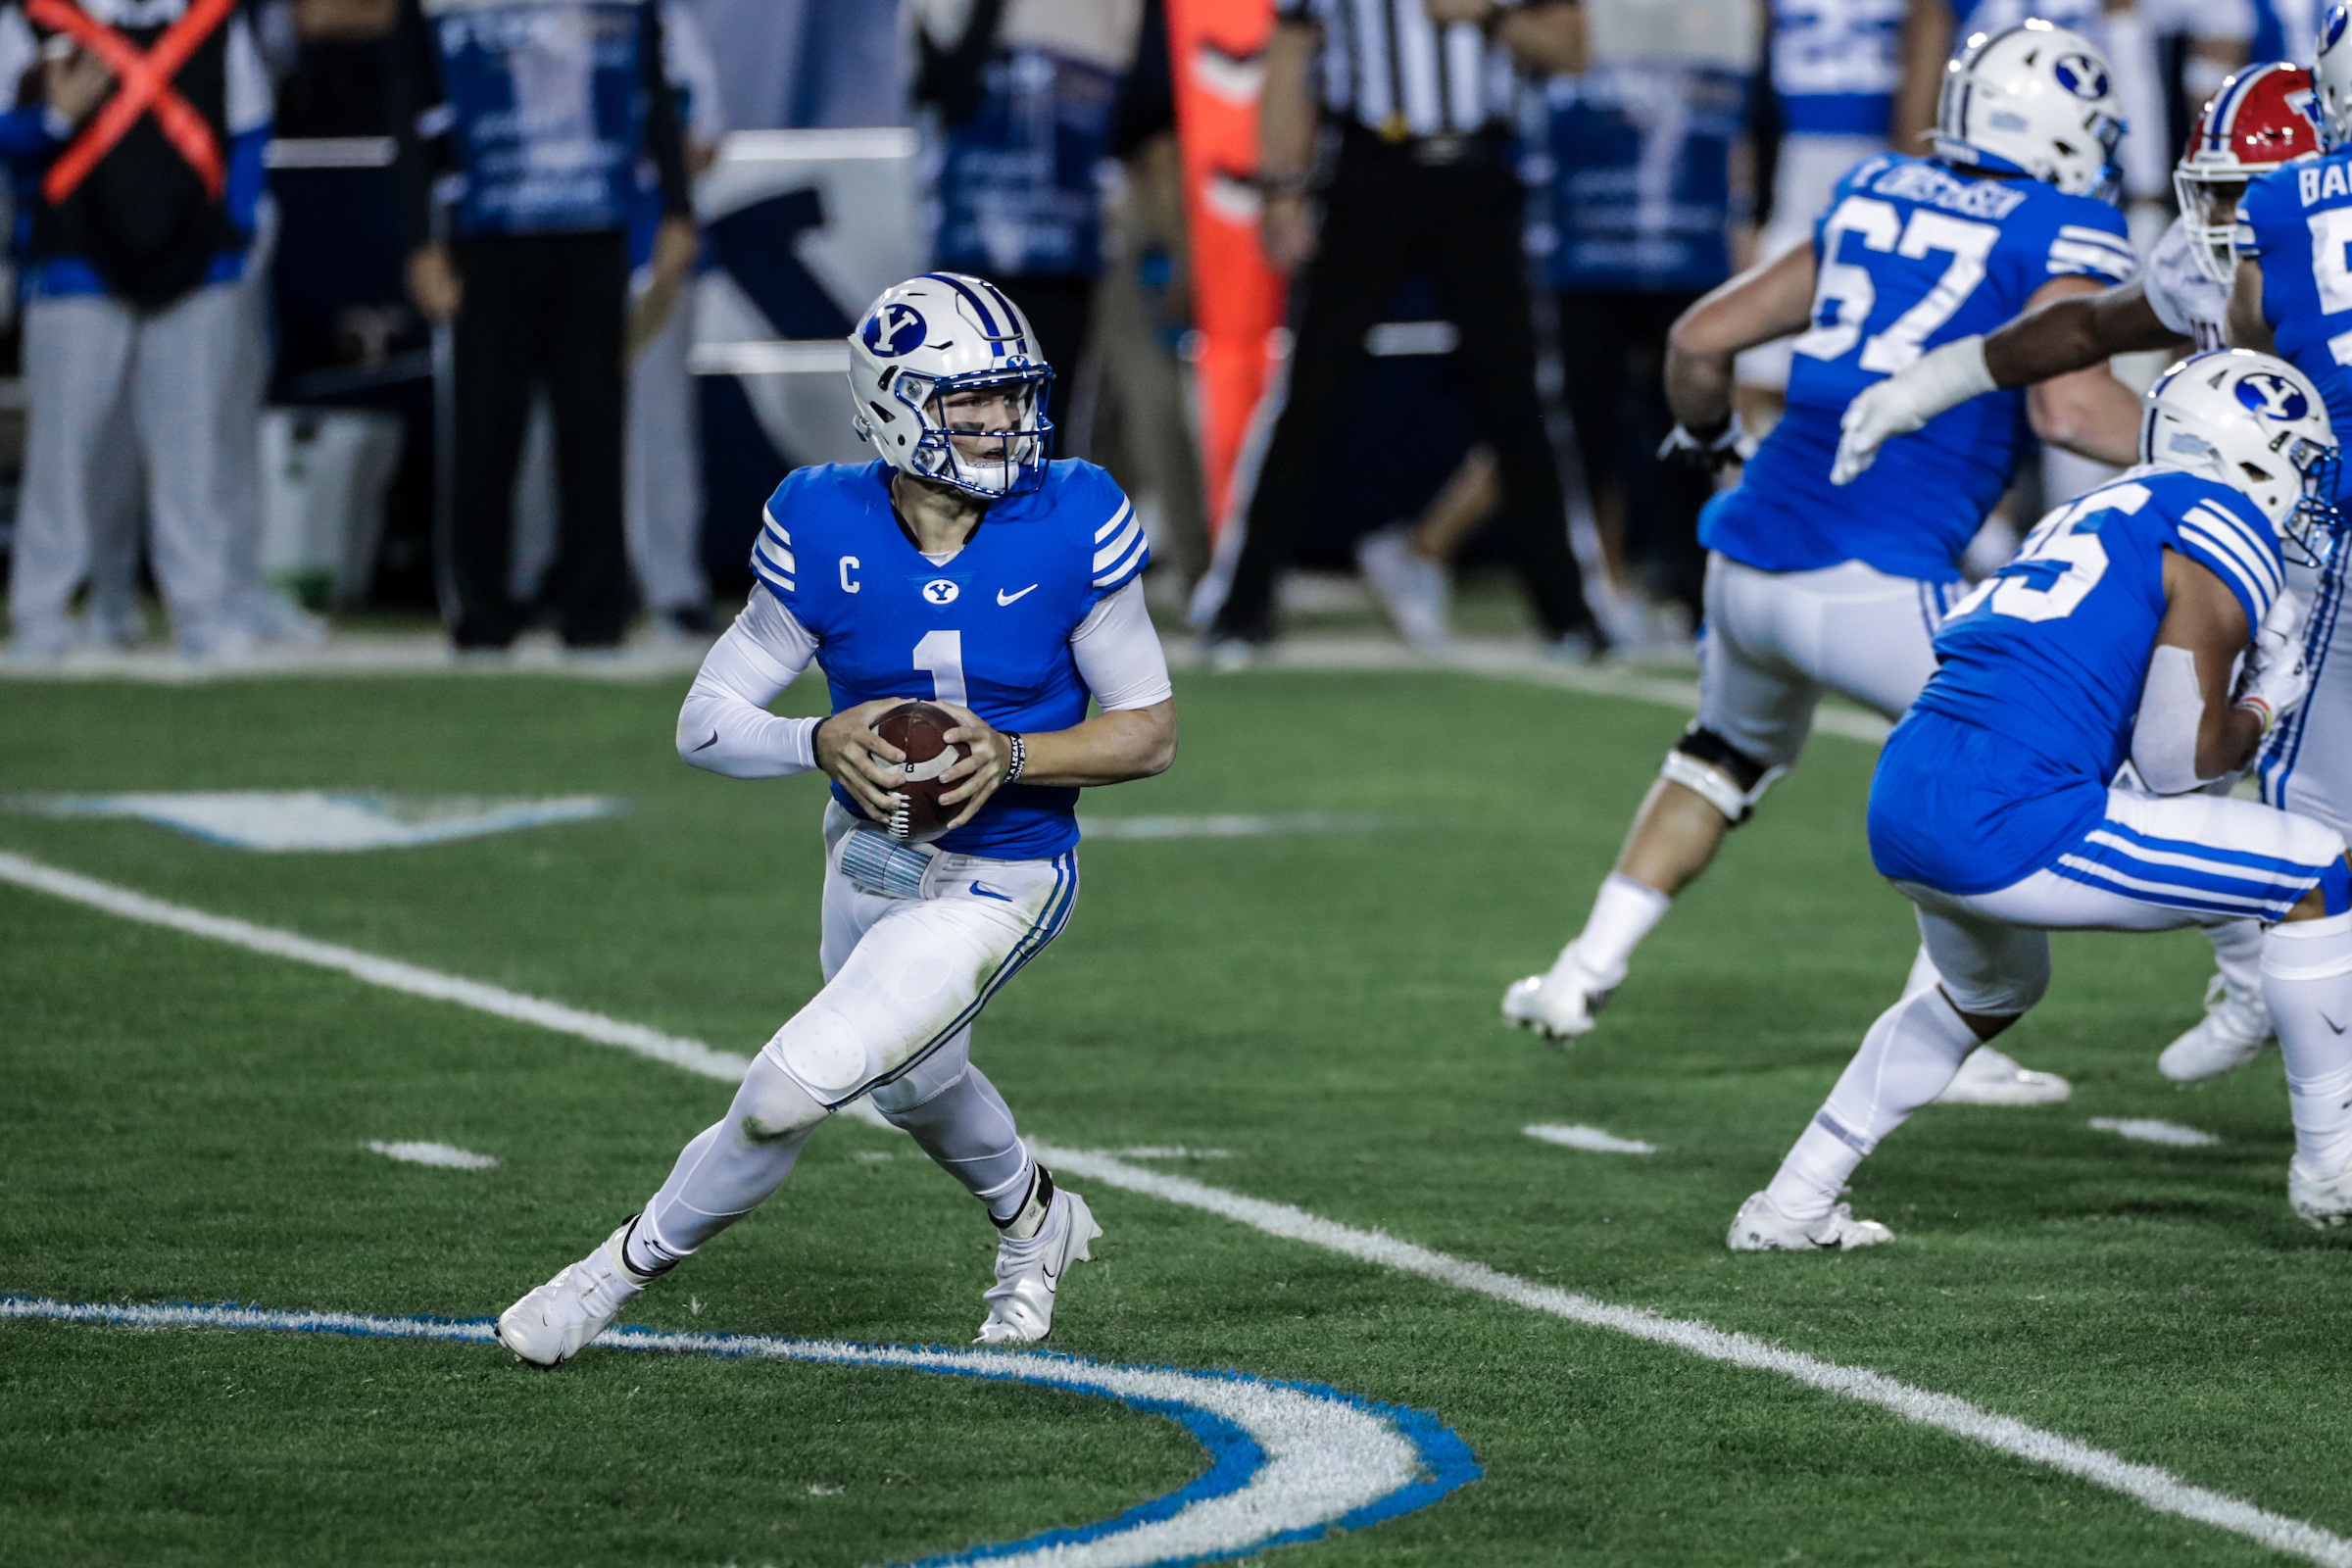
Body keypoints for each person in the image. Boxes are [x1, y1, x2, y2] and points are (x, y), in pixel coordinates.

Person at [495, 273, 1178, 1364]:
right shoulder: (821, 518)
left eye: (1014, 395)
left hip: (1003, 873)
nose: (1006, 421)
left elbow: (1148, 731)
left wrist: (1011, 754)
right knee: (916, 1084)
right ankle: (1038, 1219)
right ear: (896, 407)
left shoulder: (1073, 512)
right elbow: (706, 722)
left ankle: (602, 1280)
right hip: (866, 855)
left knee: (785, 1092)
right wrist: (814, 738)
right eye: (974, 400)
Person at [1501, 23, 2142, 1107]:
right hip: (1878, 576)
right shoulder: (2059, 223)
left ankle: (1577, 973)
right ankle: (1951, 1040)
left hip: (1750, 557)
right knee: (2022, 767)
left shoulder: (1877, 188)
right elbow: (2072, 407)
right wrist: (2214, 441)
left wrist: (1711, 444)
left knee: (1721, 756)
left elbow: (1699, 342)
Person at [1731, 350, 2352, 1250]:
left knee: (1989, 990)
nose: (2306, 484)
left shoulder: (2098, 506)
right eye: (2298, 459)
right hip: (2010, 809)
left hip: (1910, 782)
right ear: (2250, 453)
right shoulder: (2221, 524)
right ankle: (2332, 1162)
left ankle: (1792, 1202)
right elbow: (2178, 762)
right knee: (2314, 872)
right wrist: (2263, 703)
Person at [1835, 60, 2322, 1085]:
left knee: (2294, 789)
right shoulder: (2211, 256)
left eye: (2245, 193)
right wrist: (1942, 377)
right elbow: (2092, 327)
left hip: (2331, 547)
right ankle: (2258, 984)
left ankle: (2286, 1007)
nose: (2223, 217)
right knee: (2173, 757)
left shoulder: (2324, 265)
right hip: (2263, 552)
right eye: (2215, 190)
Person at [1200, 0, 1603, 662]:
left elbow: (1571, 50)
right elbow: (1291, 52)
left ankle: (1571, 614)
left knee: (1518, 400)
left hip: (1479, 174)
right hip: (1372, 167)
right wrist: (1280, 184)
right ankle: (1241, 607)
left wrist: (1487, 14)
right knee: (1312, 388)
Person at [392, 0, 696, 652]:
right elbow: (410, 107)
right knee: (484, 431)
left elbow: (653, 88)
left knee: (594, 427)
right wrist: (421, 239)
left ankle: (595, 614)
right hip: (485, 231)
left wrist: (676, 207)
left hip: (594, 225)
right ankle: (482, 615)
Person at [0, 0, 286, 662]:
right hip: (75, 258)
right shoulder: (35, 17)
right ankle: (41, 612)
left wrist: (230, 235)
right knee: (62, 456)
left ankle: (201, 612)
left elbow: (250, 129)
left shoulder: (214, 19)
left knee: (193, 456)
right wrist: (52, 119)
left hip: (194, 264)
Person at [1544, 0, 1759, 644]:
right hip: (1586, 240)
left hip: (1689, 240)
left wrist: (1743, 219)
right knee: (1588, 425)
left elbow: (1745, 117)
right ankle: (1601, 585)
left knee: (1688, 423)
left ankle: (1693, 588)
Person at [908, 0, 1146, 447]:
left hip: (1064, 245)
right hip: (974, 238)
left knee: (1047, 415)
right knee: (967, 415)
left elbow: (1134, 94)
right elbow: (938, 86)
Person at [624, 0, 722, 641]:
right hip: (541, 242)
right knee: (539, 419)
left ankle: (672, 584)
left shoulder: (668, 24)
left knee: (660, 421)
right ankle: (533, 577)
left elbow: (707, 138)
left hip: (651, 244)